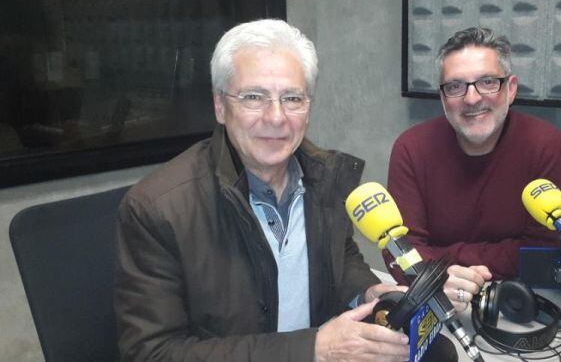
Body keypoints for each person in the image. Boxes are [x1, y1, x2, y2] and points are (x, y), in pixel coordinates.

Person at [114, 19, 410, 362]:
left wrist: (365, 293)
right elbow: (151, 354)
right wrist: (312, 349)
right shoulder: (156, 209)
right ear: (220, 107)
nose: (276, 117)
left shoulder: (327, 179)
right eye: (254, 97)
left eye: (292, 98)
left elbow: (339, 260)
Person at [386, 27, 561, 283]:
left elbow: (544, 252)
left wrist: (445, 257)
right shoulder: (411, 149)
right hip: (437, 295)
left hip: (522, 298)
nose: (472, 98)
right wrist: (444, 277)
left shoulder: (543, 144)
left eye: (487, 82)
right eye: (455, 86)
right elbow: (401, 253)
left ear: (511, 89)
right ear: (442, 97)